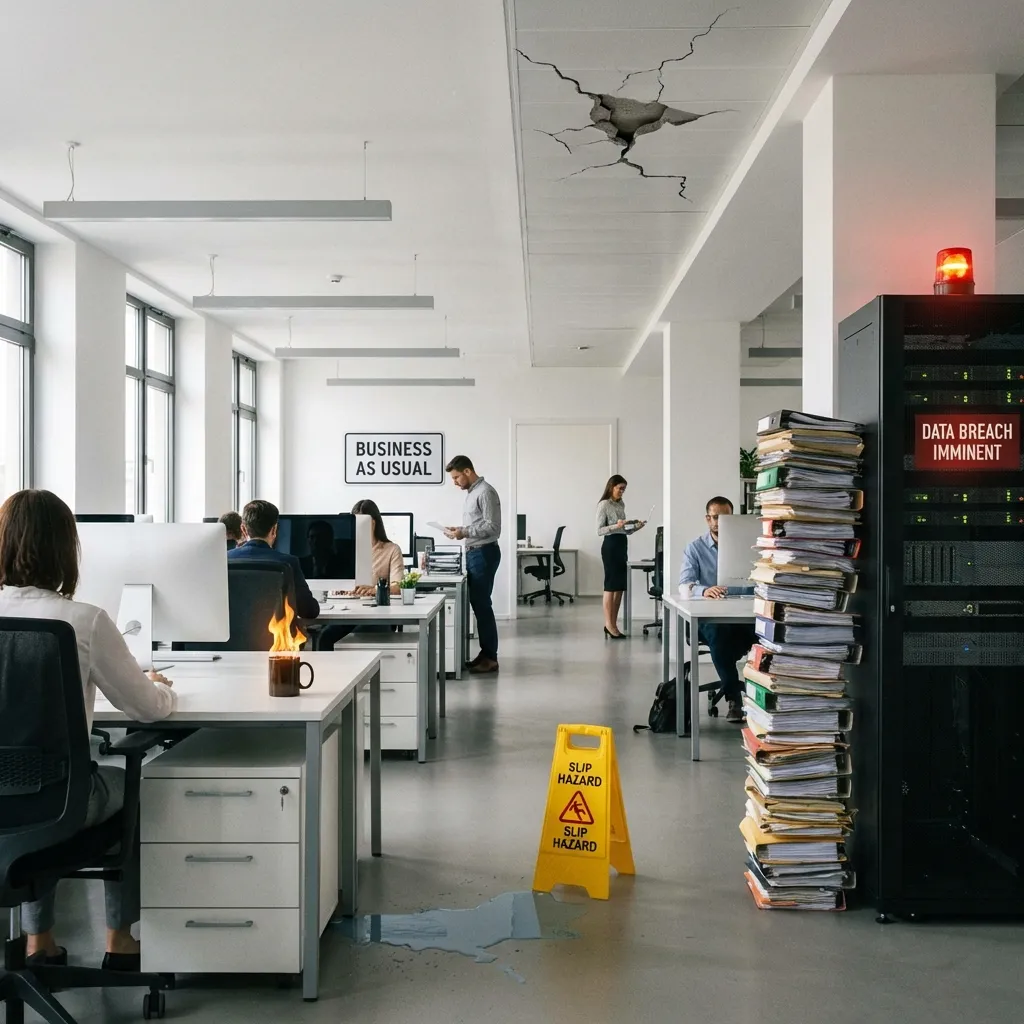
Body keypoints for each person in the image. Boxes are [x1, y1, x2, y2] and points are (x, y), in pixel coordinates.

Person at [0, 488, 176, 970]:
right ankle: (120, 940)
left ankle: (40, 943)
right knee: (129, 787)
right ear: (65, 549)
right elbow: (146, 709)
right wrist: (163, 688)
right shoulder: (83, 621)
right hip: (58, 800)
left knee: (30, 785)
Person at [678, 496, 755, 724]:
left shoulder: (749, 545)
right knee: (719, 635)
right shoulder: (696, 548)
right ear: (707, 519)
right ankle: (734, 698)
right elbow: (684, 585)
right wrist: (703, 591)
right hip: (711, 621)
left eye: (725, 518)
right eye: (714, 517)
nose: (719, 522)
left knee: (769, 633)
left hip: (743, 616)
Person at [316, 499, 405, 651]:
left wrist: (374, 590)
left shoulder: (392, 549)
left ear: (373, 523)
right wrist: (339, 587)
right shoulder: (344, 551)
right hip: (347, 610)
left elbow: (398, 587)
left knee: (355, 637)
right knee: (325, 636)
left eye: (361, 522)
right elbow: (332, 580)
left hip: (376, 614)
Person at [444, 455, 501, 675]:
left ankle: (491, 657)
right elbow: (478, 524)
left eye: (457, 477)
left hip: (484, 553)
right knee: (478, 606)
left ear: (468, 471)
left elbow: (493, 527)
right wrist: (459, 530)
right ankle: (485, 654)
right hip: (475, 552)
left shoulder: (485, 492)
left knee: (483, 606)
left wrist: (464, 532)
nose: (455, 482)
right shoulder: (472, 494)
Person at [228, 499, 320, 620]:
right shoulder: (288, 562)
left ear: (243, 530)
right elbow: (309, 611)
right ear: (274, 529)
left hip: (233, 637)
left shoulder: (224, 560)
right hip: (274, 638)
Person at [596, 474, 646, 639]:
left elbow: (624, 530)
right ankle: (608, 624)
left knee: (619, 585)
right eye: (620, 488)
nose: (622, 492)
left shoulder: (621, 504)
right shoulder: (604, 505)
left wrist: (635, 527)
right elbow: (599, 530)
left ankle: (613, 623)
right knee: (610, 585)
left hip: (621, 544)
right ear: (612, 487)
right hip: (610, 545)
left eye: (624, 489)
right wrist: (615, 525)